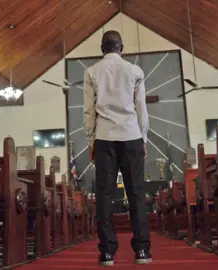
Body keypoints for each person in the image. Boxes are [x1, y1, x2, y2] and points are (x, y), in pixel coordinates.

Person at [83, 30, 151, 267]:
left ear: (102, 48)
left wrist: (91, 140)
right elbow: (141, 107)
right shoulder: (135, 71)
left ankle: (107, 252)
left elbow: (89, 111)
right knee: (137, 195)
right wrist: (143, 138)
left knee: (104, 195)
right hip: (131, 135)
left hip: (104, 137)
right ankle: (142, 250)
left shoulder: (91, 72)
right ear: (121, 47)